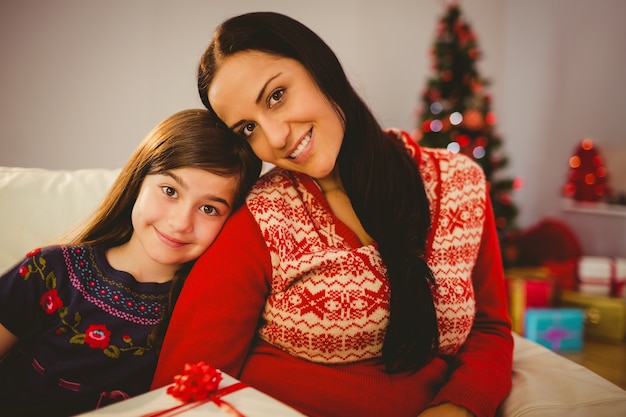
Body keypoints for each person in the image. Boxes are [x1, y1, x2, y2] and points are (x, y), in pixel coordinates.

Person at [152, 12, 513, 417]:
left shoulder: (459, 184)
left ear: (320, 66)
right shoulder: (258, 219)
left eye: (276, 96)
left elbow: (490, 330)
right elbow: (186, 381)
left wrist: (458, 406)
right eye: (247, 129)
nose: (275, 138)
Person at [0, 109, 262, 416]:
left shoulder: (203, 312)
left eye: (209, 209)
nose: (180, 222)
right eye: (170, 191)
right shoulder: (48, 270)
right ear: (138, 180)